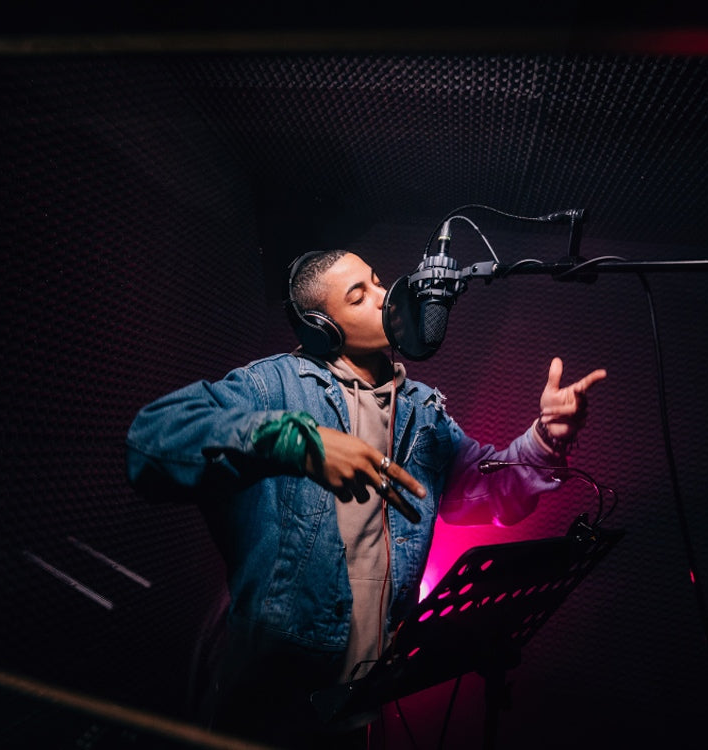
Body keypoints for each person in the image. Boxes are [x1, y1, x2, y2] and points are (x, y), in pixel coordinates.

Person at [125, 249, 607, 748]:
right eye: (360, 295)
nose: (386, 298)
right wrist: (295, 440)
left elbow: (492, 493)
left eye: (378, 281)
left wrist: (547, 439)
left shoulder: (422, 411)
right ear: (323, 328)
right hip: (271, 697)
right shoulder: (273, 386)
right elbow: (151, 441)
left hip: (360, 703)